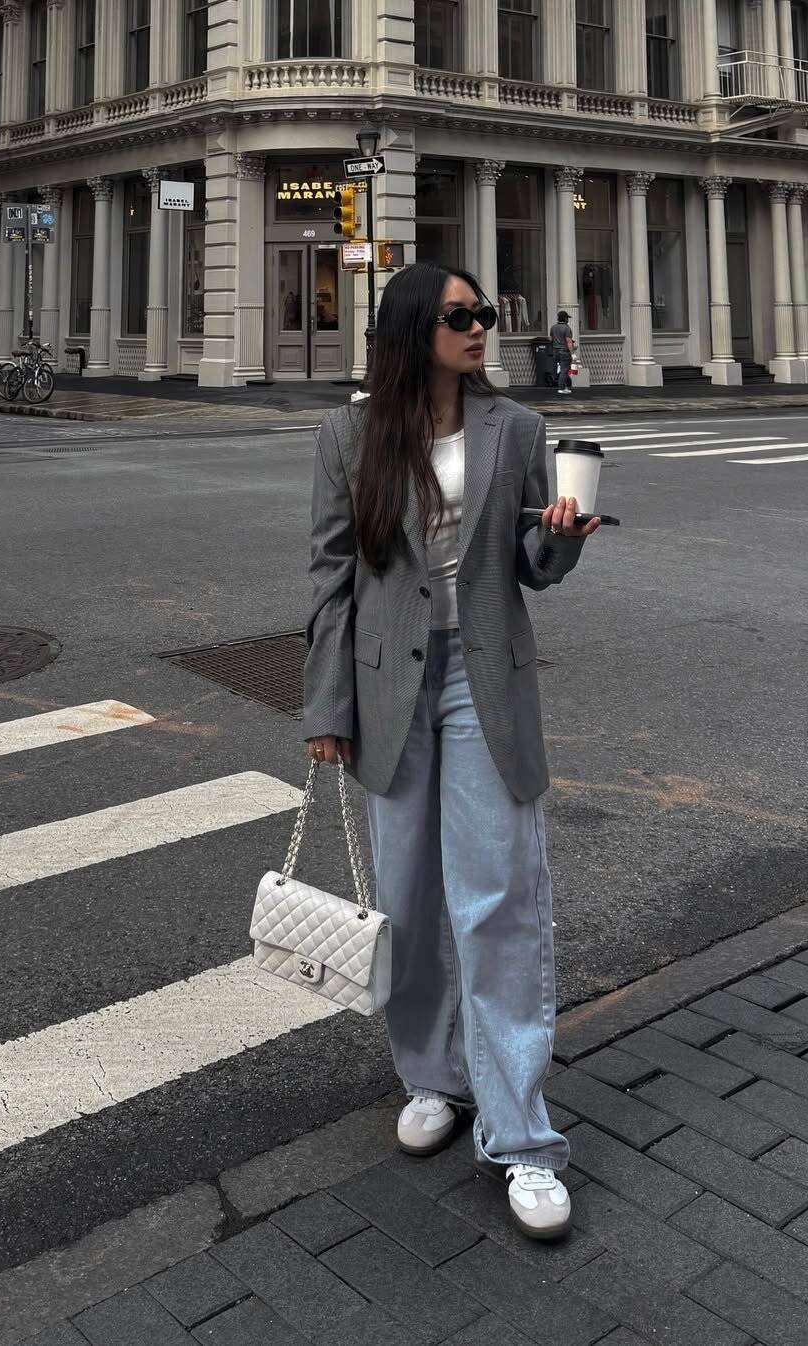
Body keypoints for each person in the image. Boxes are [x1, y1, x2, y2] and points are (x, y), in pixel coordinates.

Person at [303, 262, 602, 1240]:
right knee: (412, 897)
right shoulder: (350, 434)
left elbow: (529, 562)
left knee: (500, 897)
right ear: (412, 331)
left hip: (485, 677)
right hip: (391, 682)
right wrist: (326, 703)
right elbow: (333, 578)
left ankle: (521, 1136)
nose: (482, 327)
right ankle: (432, 1074)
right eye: (460, 316)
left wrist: (561, 535)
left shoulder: (513, 428)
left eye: (484, 312)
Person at [550, 309, 575, 395]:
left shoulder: (553, 327)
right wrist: (572, 354)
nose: (568, 320)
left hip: (555, 351)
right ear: (565, 319)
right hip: (564, 351)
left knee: (559, 369)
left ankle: (563, 385)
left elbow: (551, 339)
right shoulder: (567, 328)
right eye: (567, 318)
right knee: (564, 369)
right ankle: (561, 387)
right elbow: (569, 342)